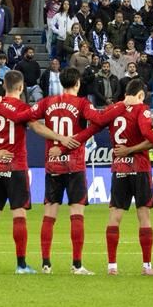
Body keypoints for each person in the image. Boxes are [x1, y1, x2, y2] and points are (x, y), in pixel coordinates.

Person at [0, 70, 72, 274]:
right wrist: (60, 138)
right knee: (18, 215)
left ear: (4, 86)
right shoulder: (22, 108)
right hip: (16, 167)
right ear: (21, 87)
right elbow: (37, 128)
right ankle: (20, 265)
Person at [88, 78, 153, 275]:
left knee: (115, 215)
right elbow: (146, 134)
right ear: (141, 94)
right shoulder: (143, 110)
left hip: (119, 168)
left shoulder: (114, 109)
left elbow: (97, 121)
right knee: (144, 216)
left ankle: (112, 266)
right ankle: (147, 266)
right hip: (140, 167)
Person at [36, 67, 101, 274]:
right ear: (78, 83)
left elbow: (29, 120)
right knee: (76, 213)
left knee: (49, 214)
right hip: (74, 164)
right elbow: (98, 121)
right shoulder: (82, 104)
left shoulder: (47, 102)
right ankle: (77, 264)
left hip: (53, 163)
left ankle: (46, 263)